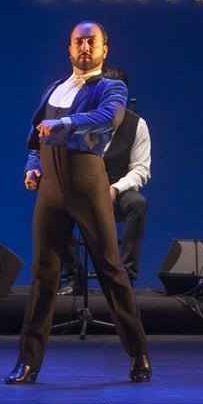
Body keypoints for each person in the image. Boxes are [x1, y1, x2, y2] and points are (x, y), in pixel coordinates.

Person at [6, 21, 151, 385]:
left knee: (110, 269)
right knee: (43, 273)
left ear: (104, 49)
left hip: (86, 181)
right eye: (79, 42)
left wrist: (66, 123)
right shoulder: (54, 88)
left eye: (91, 42)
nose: (85, 48)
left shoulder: (110, 87)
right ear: (69, 49)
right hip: (51, 187)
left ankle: (139, 354)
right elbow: (34, 137)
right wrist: (32, 167)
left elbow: (106, 118)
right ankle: (27, 362)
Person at [58, 64, 150, 295]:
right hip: (84, 190)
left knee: (138, 203)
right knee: (56, 205)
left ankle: (125, 277)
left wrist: (115, 189)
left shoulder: (137, 125)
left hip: (116, 192)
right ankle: (74, 277)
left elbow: (141, 169)